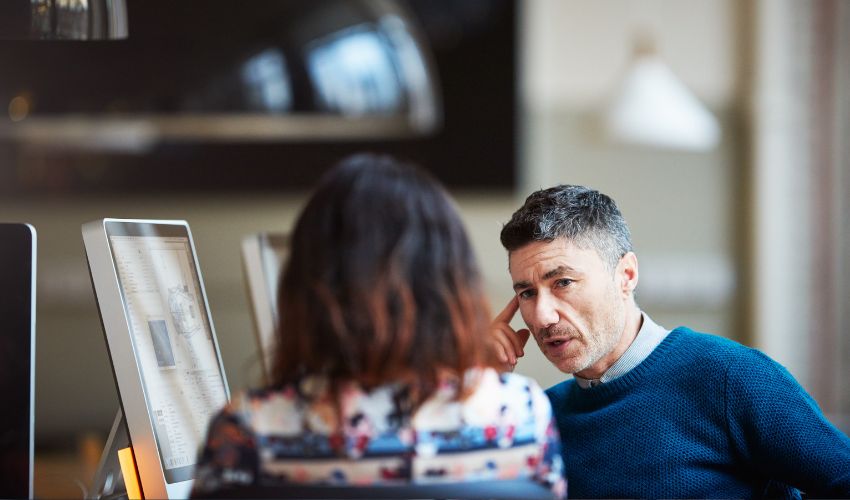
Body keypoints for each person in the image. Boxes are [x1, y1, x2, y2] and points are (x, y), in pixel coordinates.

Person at [191, 154, 566, 498]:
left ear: (308, 286)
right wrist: (477, 378)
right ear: (452, 282)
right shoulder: (522, 414)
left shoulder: (250, 430)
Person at [490, 184, 850, 498]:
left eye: (563, 283)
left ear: (626, 275)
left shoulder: (732, 378)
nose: (542, 316)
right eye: (526, 293)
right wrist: (478, 388)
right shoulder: (542, 415)